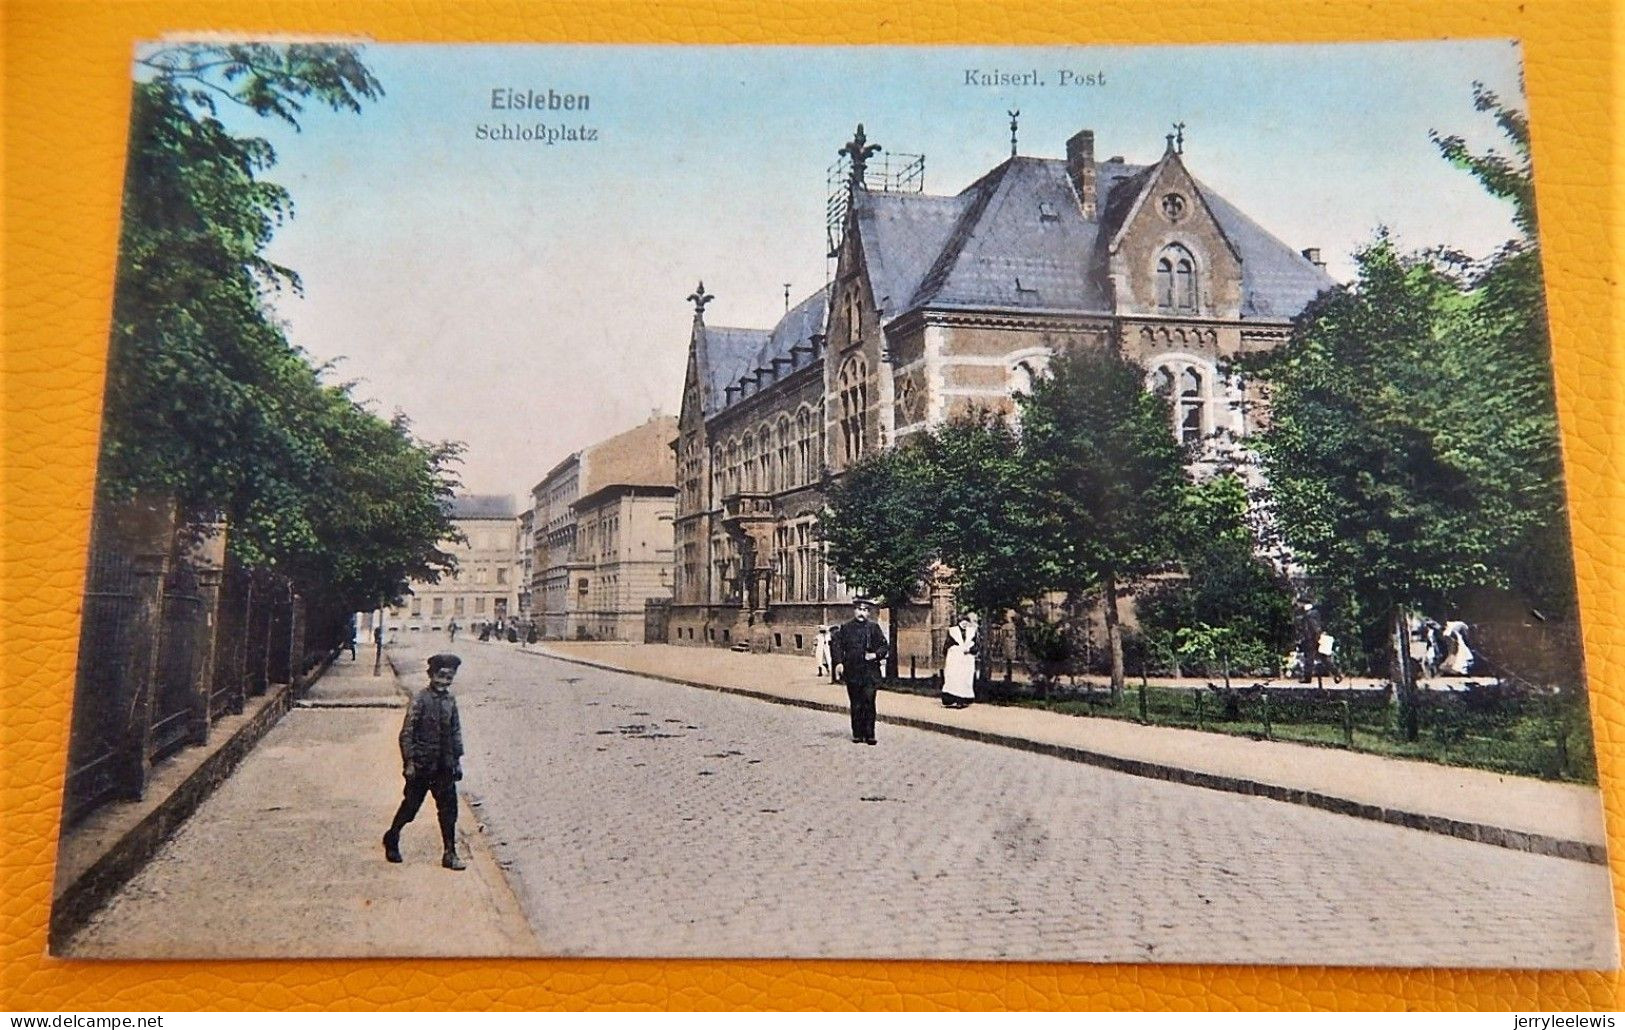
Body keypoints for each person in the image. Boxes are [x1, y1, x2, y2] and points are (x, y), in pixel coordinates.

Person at [383, 653, 467, 871]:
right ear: (431, 675)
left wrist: (457, 761)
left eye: (449, 677)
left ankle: (450, 853)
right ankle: (392, 837)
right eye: (441, 676)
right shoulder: (420, 699)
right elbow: (406, 733)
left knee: (449, 811)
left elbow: (455, 732)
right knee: (410, 807)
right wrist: (409, 762)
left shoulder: (450, 701)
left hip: (444, 766)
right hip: (422, 765)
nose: (444, 681)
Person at [833, 598, 889, 745]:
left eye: (865, 610)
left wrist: (875, 655)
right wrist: (839, 663)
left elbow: (884, 646)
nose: (861, 613)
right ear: (854, 610)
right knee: (856, 703)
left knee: (869, 702)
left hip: (870, 673)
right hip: (853, 672)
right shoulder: (846, 628)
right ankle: (857, 733)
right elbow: (837, 647)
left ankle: (870, 734)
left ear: (869, 613)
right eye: (859, 609)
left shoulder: (874, 628)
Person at [940, 613, 979, 708]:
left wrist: (970, 650)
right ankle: (953, 700)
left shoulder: (972, 632)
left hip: (967, 660)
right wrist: (954, 651)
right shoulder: (952, 632)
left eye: (966, 622)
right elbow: (947, 646)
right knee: (954, 678)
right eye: (962, 622)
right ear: (959, 622)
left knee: (965, 679)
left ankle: (963, 700)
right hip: (955, 660)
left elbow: (976, 646)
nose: (964, 624)